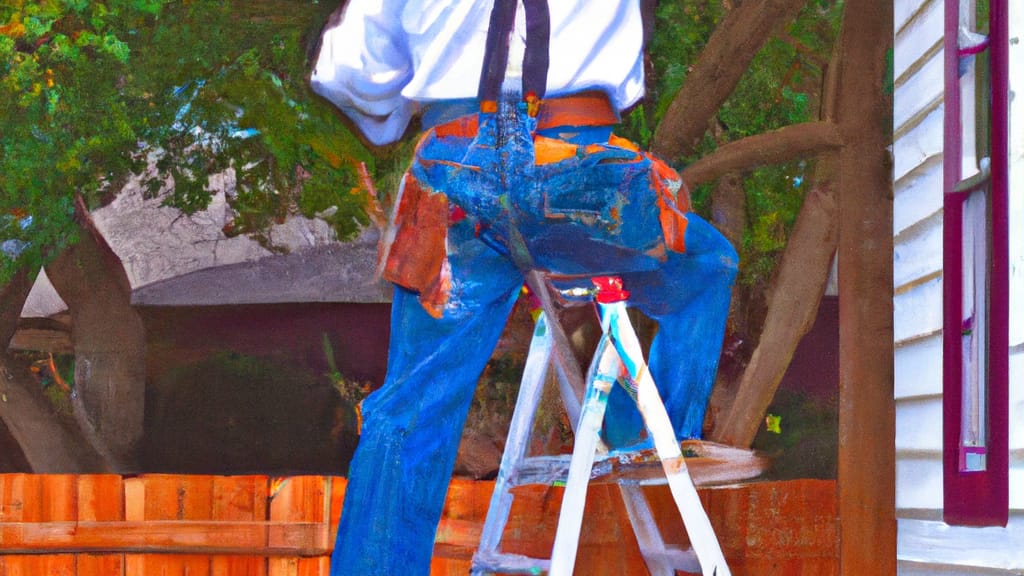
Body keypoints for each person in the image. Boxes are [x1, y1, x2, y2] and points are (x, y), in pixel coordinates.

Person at [311, 1, 737, 574]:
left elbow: (347, 69)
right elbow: (629, 78)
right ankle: (646, 436)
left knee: (413, 403)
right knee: (706, 268)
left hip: (456, 168)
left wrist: (404, 110)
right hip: (578, 159)